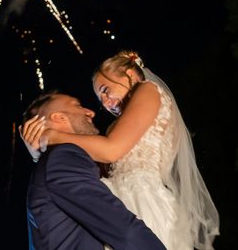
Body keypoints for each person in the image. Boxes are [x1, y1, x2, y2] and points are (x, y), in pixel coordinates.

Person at [22, 51, 219, 250]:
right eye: (100, 99)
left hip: (143, 198)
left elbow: (111, 151)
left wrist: (50, 137)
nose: (106, 103)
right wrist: (41, 154)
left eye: (106, 90)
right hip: (121, 200)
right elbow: (90, 174)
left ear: (130, 75)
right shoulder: (115, 129)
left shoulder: (147, 90)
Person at [23, 90, 166, 250]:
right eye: (77, 105)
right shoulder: (63, 156)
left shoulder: (52, 161)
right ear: (59, 117)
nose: (90, 112)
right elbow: (122, 229)